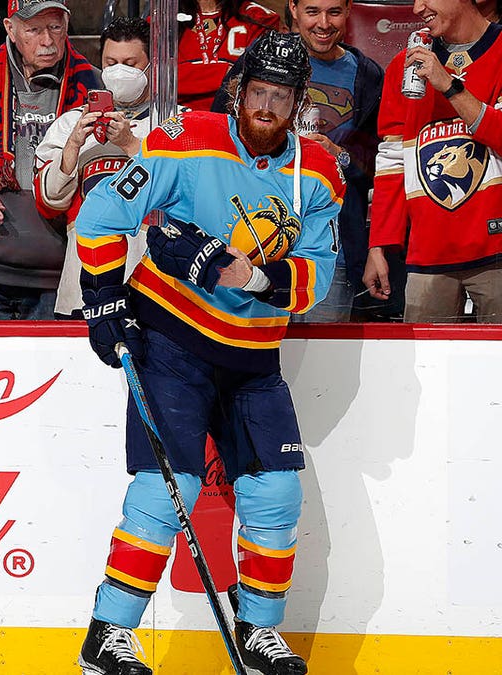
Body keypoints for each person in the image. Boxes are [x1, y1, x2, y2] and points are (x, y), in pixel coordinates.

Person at [74, 33, 343, 675]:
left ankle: (258, 635)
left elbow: (322, 275)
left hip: (254, 356)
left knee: (276, 495)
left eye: (282, 96)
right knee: (169, 489)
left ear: (298, 102)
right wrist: (106, 297)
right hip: (172, 339)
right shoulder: (186, 134)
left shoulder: (320, 173)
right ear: (238, 91)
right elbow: (102, 212)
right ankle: (108, 635)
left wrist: (258, 281)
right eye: (258, 92)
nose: (267, 107)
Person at [214, 0, 384, 322]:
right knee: (255, 357)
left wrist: (340, 157)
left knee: (323, 364)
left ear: (349, 11)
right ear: (292, 8)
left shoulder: (368, 76)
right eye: (312, 11)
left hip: (331, 253)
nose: (323, 23)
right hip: (254, 245)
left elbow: (378, 162)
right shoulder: (259, 61)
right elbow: (219, 139)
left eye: (334, 12)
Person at [0, 0, 100, 320]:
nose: (47, 40)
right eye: (34, 29)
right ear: (10, 29)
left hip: (62, 271)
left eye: (55, 27)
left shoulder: (94, 85)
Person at [364, 0, 502, 323]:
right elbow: (391, 161)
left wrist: (449, 86)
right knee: (423, 369)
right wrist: (379, 245)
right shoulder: (404, 65)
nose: (416, 8)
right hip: (428, 253)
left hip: (496, 252)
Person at [34, 17, 153, 319]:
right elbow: (49, 201)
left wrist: (130, 144)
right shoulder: (69, 124)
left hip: (156, 286)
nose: (120, 71)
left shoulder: (175, 123)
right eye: (111, 62)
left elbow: (188, 193)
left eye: (131, 62)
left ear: (153, 65)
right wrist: (73, 146)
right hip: (83, 286)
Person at [177, 0, 282, 112]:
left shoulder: (259, 17)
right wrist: (225, 72)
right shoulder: (164, 18)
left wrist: (185, 79)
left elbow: (256, 84)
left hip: (233, 121)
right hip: (173, 122)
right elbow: (159, 80)